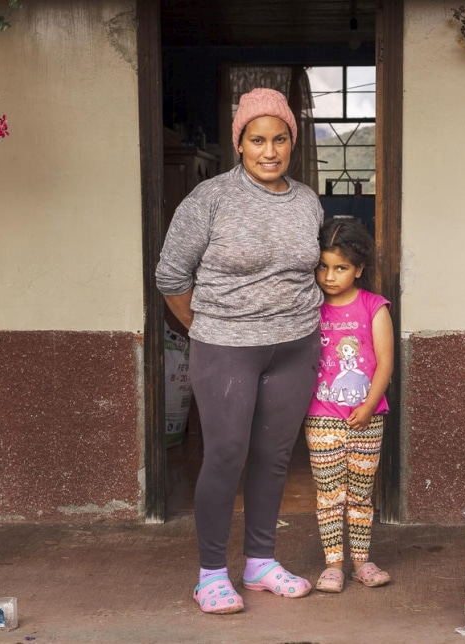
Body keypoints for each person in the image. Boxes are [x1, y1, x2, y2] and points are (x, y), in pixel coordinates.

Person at [155, 87, 324, 615]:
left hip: (297, 345)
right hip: (227, 347)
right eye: (257, 140)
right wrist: (210, 328)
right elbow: (170, 276)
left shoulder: (307, 200)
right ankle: (210, 574)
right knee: (226, 456)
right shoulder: (209, 199)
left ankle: (260, 562)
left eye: (279, 140)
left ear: (291, 143)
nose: (269, 151)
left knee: (273, 459)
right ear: (240, 144)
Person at [305, 217, 394, 593]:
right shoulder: (308, 307)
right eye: (323, 266)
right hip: (321, 417)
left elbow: (386, 362)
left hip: (367, 418)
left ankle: (361, 562)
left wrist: (370, 405)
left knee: (360, 492)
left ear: (358, 269)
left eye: (340, 268)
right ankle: (333, 564)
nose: (329, 276)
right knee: (329, 494)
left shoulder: (374, 307)